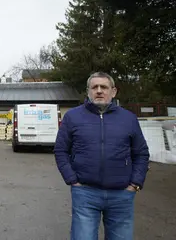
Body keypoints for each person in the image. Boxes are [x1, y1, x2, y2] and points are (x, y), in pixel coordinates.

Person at [54, 72, 150, 240]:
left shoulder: (129, 119)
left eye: (104, 87)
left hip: (122, 195)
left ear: (113, 92)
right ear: (88, 91)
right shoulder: (72, 117)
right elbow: (61, 150)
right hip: (85, 193)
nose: (99, 91)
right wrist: (72, 180)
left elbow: (141, 153)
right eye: (94, 87)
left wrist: (135, 184)